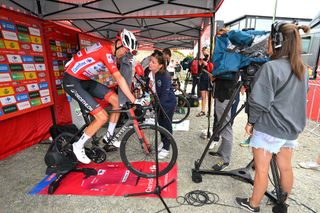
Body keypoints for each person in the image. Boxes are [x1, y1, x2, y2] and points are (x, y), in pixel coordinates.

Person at [235, 22, 310, 212]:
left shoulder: (271, 67)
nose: (267, 44)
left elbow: (259, 102)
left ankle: (253, 204)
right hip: (291, 130)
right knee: (285, 167)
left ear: (277, 42)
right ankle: (281, 202)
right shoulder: (302, 69)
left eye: (269, 41)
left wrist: (251, 122)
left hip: (269, 129)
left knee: (262, 169)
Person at [63, 29, 148, 164]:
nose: (124, 54)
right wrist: (134, 100)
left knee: (116, 101)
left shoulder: (110, 51)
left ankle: (109, 137)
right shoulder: (106, 52)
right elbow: (119, 78)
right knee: (102, 117)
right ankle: (77, 146)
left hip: (84, 80)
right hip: (72, 81)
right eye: (125, 50)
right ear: (119, 43)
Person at [146, 50, 177, 159]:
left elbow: (164, 95)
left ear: (160, 65)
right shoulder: (149, 73)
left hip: (168, 103)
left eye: (153, 62)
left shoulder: (165, 75)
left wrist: (157, 109)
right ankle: (163, 142)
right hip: (158, 103)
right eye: (150, 61)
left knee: (166, 125)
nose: (150, 63)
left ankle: (167, 147)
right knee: (160, 124)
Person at [196, 47, 210, 117]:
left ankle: (209, 111)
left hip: (209, 79)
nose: (204, 52)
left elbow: (212, 68)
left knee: (209, 96)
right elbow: (199, 70)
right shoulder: (203, 59)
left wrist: (207, 64)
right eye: (203, 51)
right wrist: (200, 64)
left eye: (205, 51)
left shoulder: (212, 60)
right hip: (202, 78)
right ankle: (203, 110)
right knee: (203, 96)